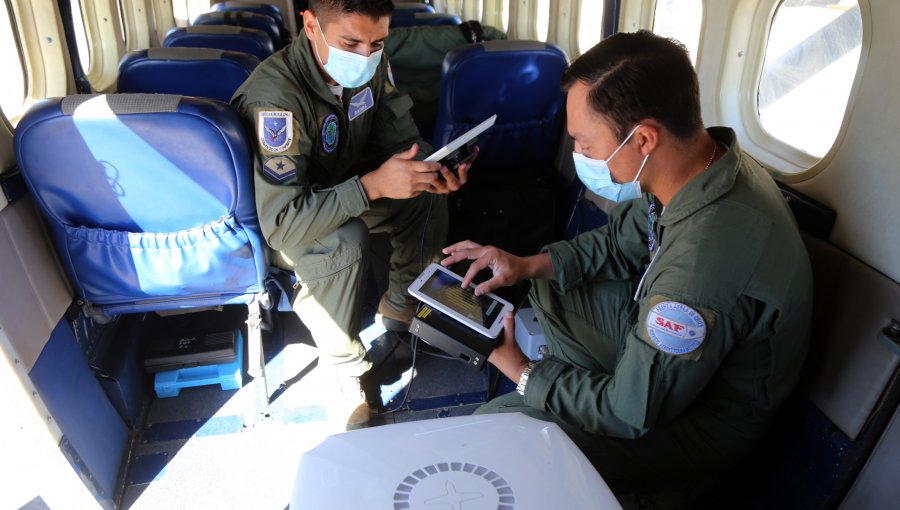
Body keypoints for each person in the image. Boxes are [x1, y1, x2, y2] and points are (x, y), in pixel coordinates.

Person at [441, 30, 812, 507]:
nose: (579, 159)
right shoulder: (704, 167)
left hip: (702, 422)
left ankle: (659, 483)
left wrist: (524, 373)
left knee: (504, 427)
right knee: (549, 286)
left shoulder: (705, 261)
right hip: (680, 376)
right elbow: (618, 241)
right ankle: (585, 402)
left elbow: (631, 410)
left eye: (585, 145)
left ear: (642, 138)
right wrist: (522, 264)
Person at [232, 0, 470, 430]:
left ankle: (400, 308)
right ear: (310, 25)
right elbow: (283, 223)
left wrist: (430, 171)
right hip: (287, 222)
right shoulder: (277, 101)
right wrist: (373, 186)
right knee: (346, 239)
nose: (365, 55)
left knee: (425, 197)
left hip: (344, 189)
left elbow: (401, 141)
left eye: (377, 42)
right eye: (350, 42)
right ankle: (343, 368)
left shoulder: (371, 65)